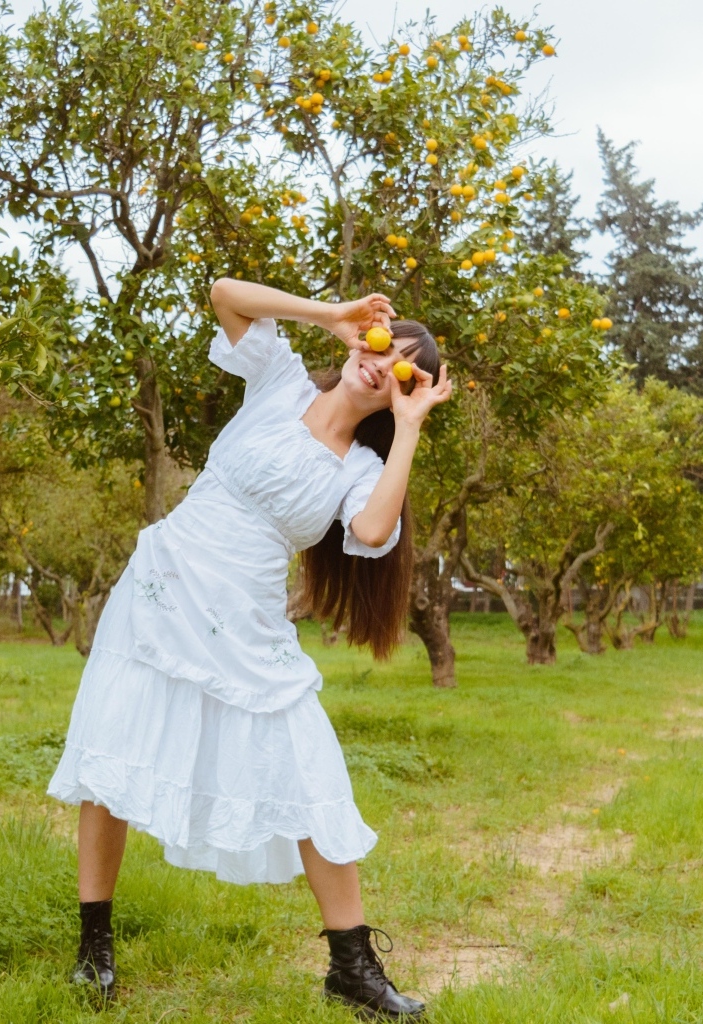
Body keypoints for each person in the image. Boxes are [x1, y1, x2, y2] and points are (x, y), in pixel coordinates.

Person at [47, 278, 452, 1018]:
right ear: (365, 340)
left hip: (247, 622)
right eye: (387, 344)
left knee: (310, 770)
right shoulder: (278, 379)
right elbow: (224, 292)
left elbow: (369, 533)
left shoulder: (362, 467)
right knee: (114, 759)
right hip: (164, 590)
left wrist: (412, 424)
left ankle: (352, 969)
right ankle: (92, 952)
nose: (387, 362)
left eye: (408, 368)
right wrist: (332, 314)